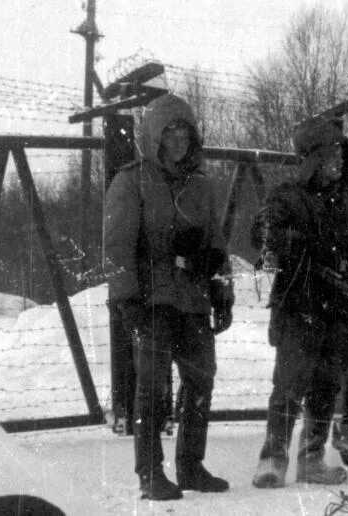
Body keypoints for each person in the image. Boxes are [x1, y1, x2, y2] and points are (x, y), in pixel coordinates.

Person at [104, 93, 232, 500]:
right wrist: (127, 301)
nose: (178, 140)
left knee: (200, 379)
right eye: (170, 132)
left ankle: (191, 466)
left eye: (185, 132)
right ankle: (150, 473)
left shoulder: (202, 185)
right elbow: (117, 245)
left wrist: (221, 290)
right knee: (152, 387)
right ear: (155, 137)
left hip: (192, 297)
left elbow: (216, 243)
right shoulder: (131, 180)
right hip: (152, 297)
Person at [250, 115, 348, 489]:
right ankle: (272, 459)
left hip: (337, 311)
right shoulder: (285, 196)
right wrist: (301, 244)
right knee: (290, 386)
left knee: (327, 387)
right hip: (299, 307)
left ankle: (311, 458)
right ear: (313, 157)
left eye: (342, 156)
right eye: (333, 155)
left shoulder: (343, 202)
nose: (339, 163)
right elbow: (262, 237)